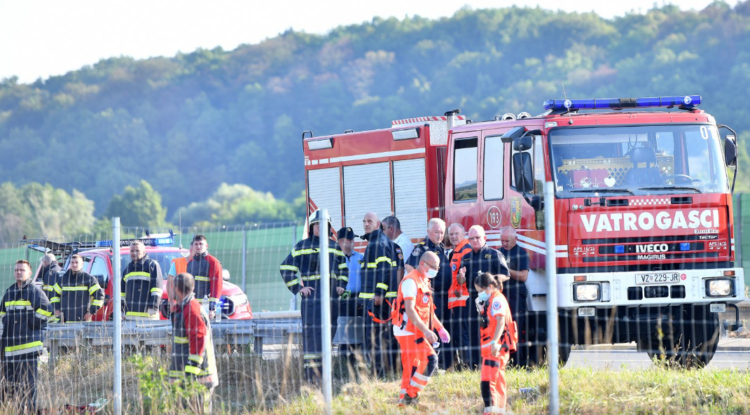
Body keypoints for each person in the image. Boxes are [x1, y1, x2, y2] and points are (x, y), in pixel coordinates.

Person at [279, 210, 346, 385]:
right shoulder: (302, 246)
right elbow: (285, 268)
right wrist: (299, 288)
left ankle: (325, 376)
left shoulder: (335, 246)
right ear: (311, 227)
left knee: (328, 335)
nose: (319, 227)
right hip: (311, 300)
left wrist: (341, 285)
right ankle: (311, 378)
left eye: (323, 224)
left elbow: (343, 269)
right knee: (311, 337)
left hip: (331, 299)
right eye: (316, 225)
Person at [391, 251, 450, 406]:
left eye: (437, 267)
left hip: (415, 329)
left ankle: (404, 403)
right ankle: (411, 395)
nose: (436, 270)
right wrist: (426, 331)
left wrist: (440, 328)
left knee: (411, 367)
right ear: (423, 264)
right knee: (430, 359)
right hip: (407, 330)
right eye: (434, 267)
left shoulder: (424, 281)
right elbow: (410, 310)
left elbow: (428, 311)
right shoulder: (411, 281)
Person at [0, 260, 52, 413]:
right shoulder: (9, 292)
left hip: (28, 349)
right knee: (11, 387)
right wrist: (7, 321)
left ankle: (30, 412)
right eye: (16, 270)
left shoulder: (34, 291)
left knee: (28, 386)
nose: (18, 272)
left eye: (22, 270)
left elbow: (47, 310)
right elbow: (2, 312)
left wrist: (31, 323)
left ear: (29, 272)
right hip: (10, 350)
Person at [457, 225, 509, 369]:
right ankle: (475, 364)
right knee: (473, 331)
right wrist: (461, 276)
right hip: (473, 299)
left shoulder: (494, 254)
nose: (474, 240)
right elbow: (461, 281)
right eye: (471, 238)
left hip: (490, 298)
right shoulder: (466, 257)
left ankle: (493, 361)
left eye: (477, 237)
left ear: (485, 238)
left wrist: (490, 281)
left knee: (491, 329)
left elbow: (506, 275)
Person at [405, 219, 454, 370]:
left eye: (442, 232)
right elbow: (409, 266)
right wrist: (423, 283)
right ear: (428, 232)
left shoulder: (441, 248)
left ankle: (444, 365)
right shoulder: (422, 247)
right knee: (432, 328)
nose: (439, 235)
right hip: (431, 296)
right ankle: (430, 364)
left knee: (444, 328)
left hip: (444, 296)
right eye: (436, 232)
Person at [359, 211, 401, 378]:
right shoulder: (378, 241)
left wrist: (378, 293)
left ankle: (379, 374)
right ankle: (387, 372)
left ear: (378, 225)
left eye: (370, 221)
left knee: (374, 338)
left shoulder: (378, 243)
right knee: (383, 337)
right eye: (364, 221)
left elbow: (384, 269)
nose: (366, 224)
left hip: (378, 302)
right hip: (381, 300)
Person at [169, 272, 218, 414]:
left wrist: (191, 372)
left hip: (198, 379)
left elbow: (198, 340)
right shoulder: (186, 307)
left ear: (176, 289)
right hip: (190, 378)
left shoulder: (191, 309)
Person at [474, 272, 515, 415]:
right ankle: (498, 412)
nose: (479, 294)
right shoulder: (491, 300)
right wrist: (481, 309)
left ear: (490, 287)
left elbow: (500, 321)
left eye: (480, 290)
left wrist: (495, 342)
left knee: (487, 382)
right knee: (497, 383)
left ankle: (491, 412)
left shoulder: (497, 300)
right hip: (493, 349)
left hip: (496, 349)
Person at [332, 226, 367, 374]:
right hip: (342, 300)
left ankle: (358, 364)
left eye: (353, 239)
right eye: (349, 239)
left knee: (359, 333)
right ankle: (343, 366)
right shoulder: (333, 258)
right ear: (340, 241)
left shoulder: (361, 258)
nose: (352, 242)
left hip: (358, 300)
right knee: (344, 335)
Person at [499, 226, 530, 367]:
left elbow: (523, 276)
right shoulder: (498, 253)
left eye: (507, 241)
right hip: (501, 296)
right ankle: (504, 360)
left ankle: (519, 363)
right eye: (502, 241)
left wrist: (507, 271)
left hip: (516, 296)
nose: (504, 243)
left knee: (516, 328)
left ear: (515, 239)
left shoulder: (521, 253)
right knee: (501, 329)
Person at [446, 223, 472, 367]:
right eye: (451, 234)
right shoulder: (455, 251)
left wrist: (458, 290)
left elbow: (465, 276)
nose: (454, 237)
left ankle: (467, 364)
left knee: (463, 334)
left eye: (457, 234)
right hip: (456, 301)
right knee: (459, 334)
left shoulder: (466, 250)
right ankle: (463, 363)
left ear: (463, 234)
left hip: (463, 300)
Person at [52, 254, 104, 323]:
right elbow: (54, 295)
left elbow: (99, 296)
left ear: (82, 264)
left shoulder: (88, 279)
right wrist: (56, 309)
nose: (74, 265)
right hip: (64, 322)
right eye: (72, 262)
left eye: (76, 262)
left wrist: (91, 312)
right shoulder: (63, 279)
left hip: (83, 323)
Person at [121, 241, 163, 320]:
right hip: (130, 317)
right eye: (132, 251)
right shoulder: (127, 269)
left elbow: (157, 289)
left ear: (144, 252)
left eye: (137, 251)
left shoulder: (152, 265)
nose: (134, 253)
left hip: (148, 316)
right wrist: (121, 310)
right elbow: (122, 293)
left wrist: (153, 308)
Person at [186, 235, 223, 320]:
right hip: (192, 307)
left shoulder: (213, 262)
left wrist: (212, 309)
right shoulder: (190, 263)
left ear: (206, 246)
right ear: (192, 246)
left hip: (206, 308)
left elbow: (217, 286)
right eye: (196, 244)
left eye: (201, 244)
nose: (198, 246)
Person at [168, 241, 195, 305]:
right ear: (190, 249)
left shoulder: (204, 263)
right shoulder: (178, 262)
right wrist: (171, 302)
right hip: (179, 303)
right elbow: (169, 283)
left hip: (196, 302)